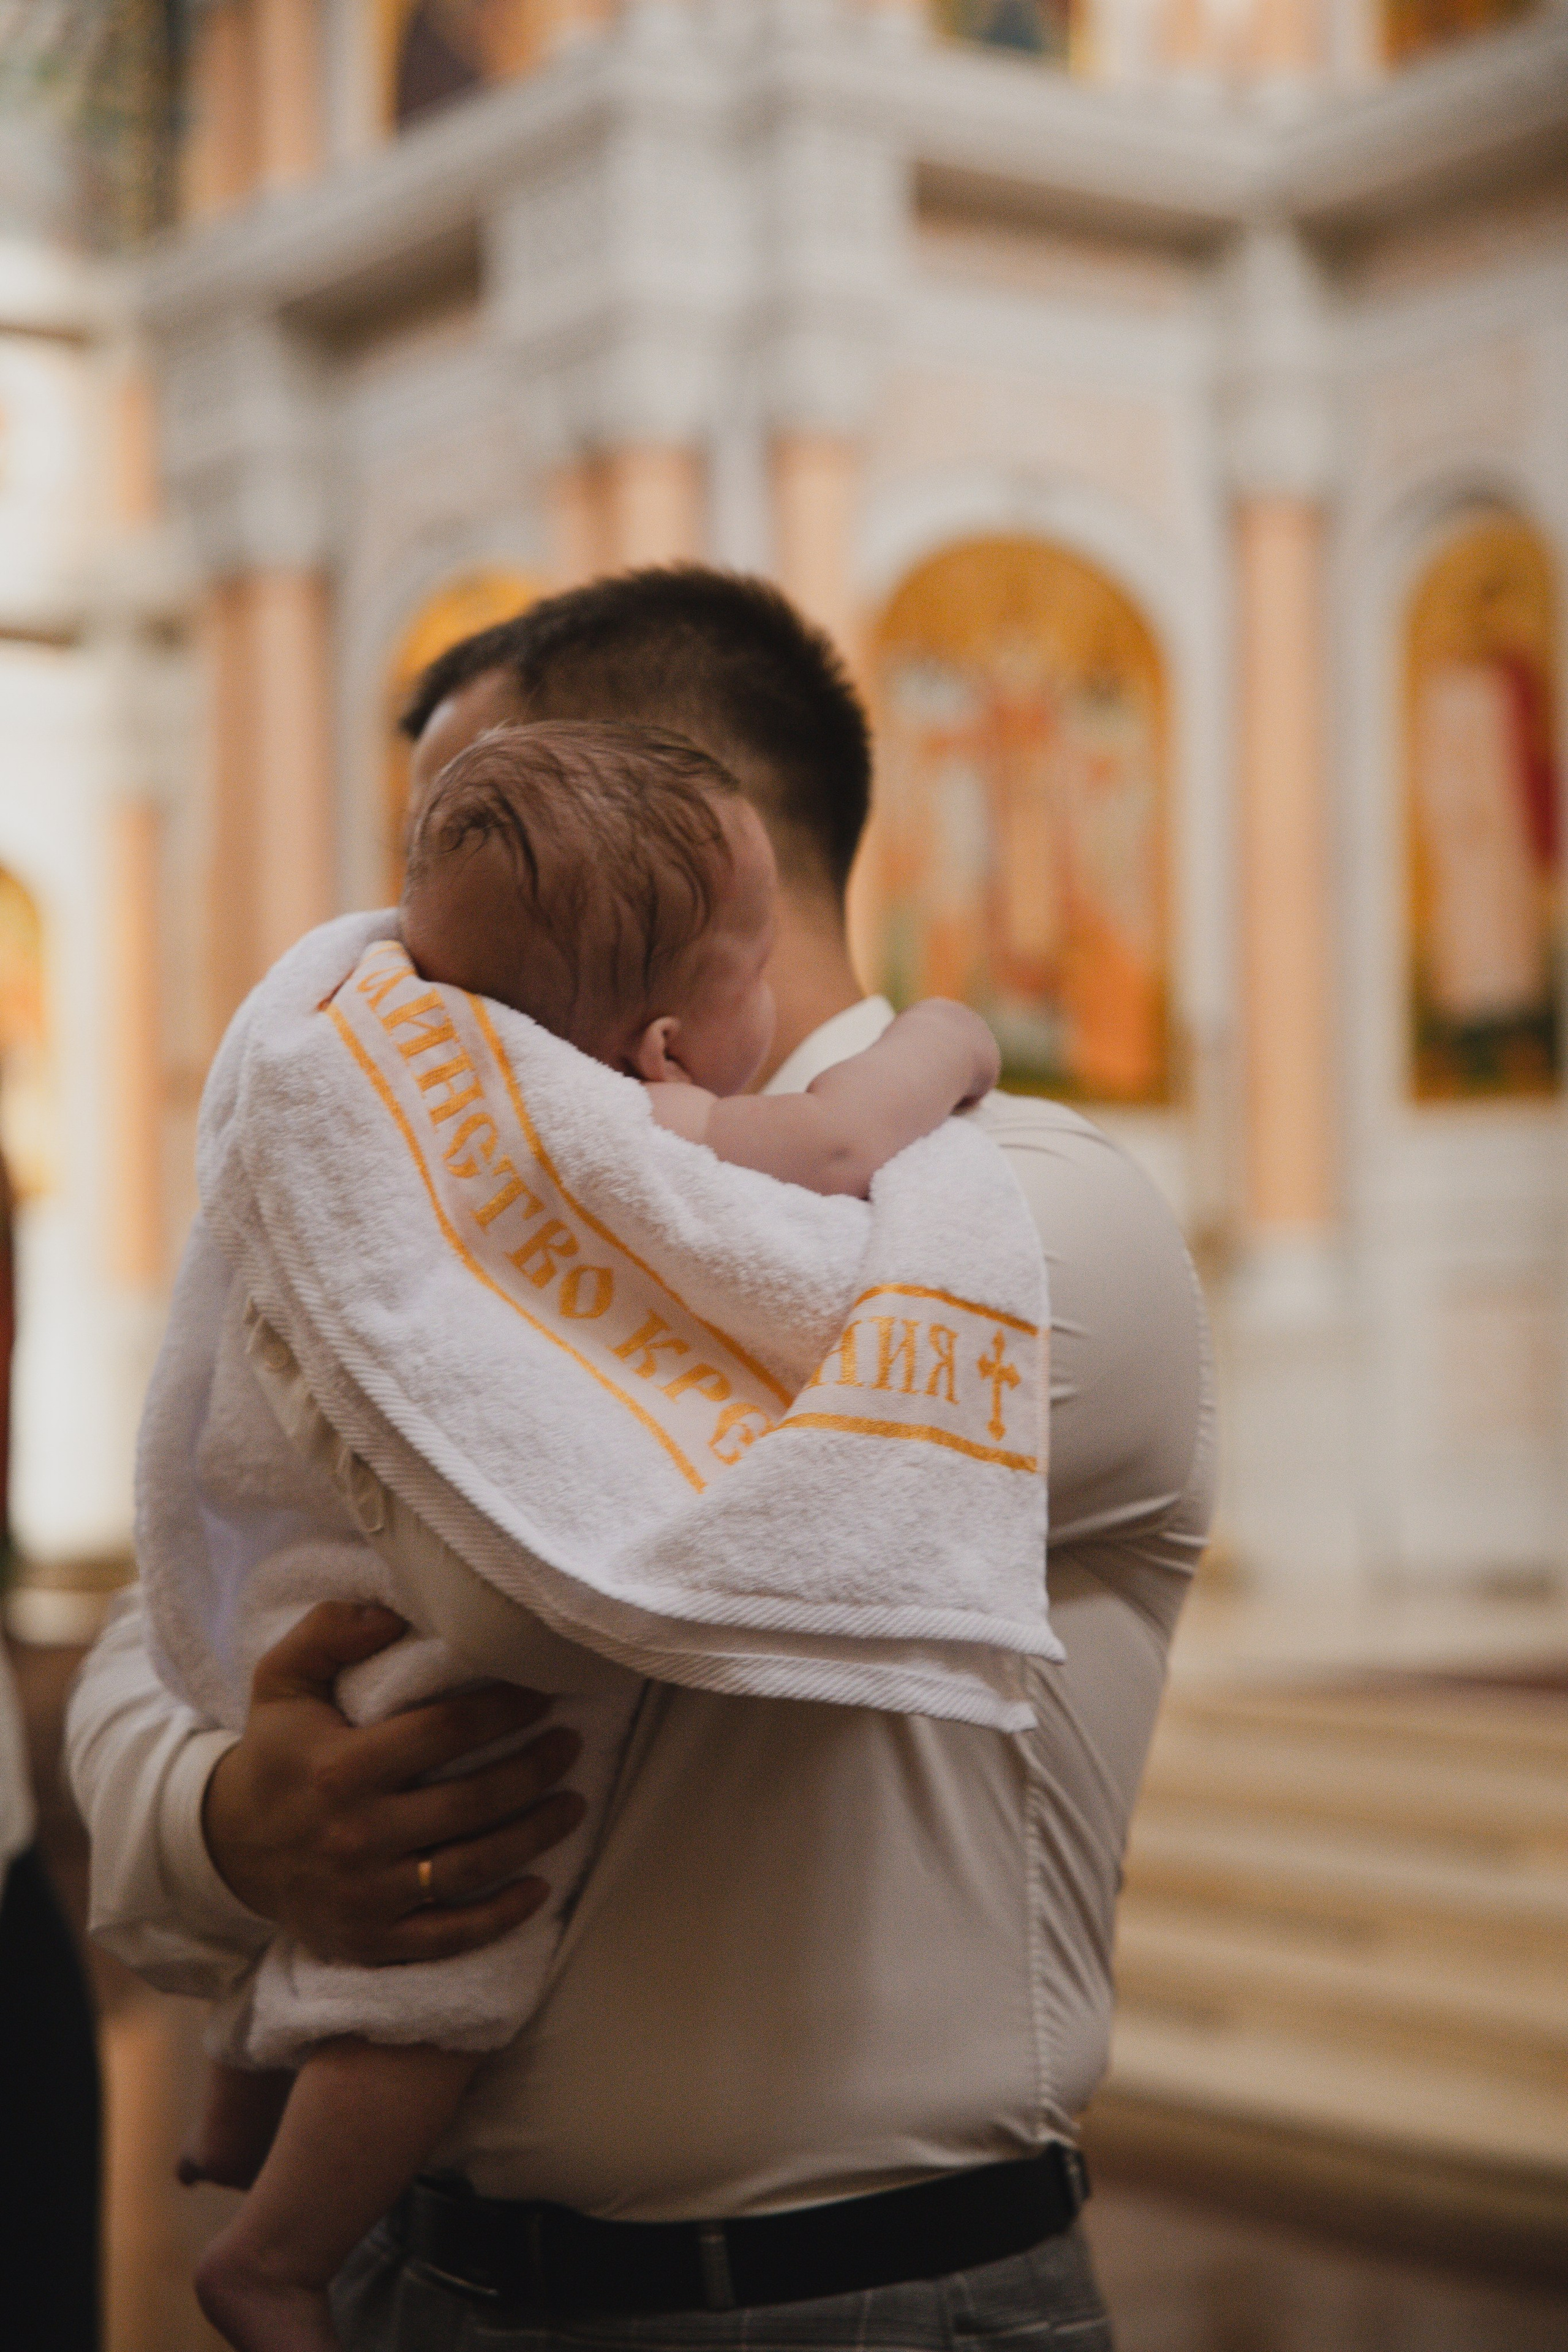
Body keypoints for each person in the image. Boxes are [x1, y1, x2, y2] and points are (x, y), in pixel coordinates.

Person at [69, 568, 1214, 2352]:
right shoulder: (443, 1230)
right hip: (414, 2279)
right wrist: (237, 1821)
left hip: (861, 2303)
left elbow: (516, 1578)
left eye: (451, 878)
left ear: (675, 825)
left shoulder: (1029, 1224)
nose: (399, 965)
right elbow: (171, 1615)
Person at [181, 717, 999, 2352]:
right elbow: (845, 1145)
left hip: (339, 1562)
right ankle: (273, 2253)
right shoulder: (632, 1126)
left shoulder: (401, 1089)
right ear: (670, 1037)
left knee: (325, 1847)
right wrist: (951, 1034)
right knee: (454, 1944)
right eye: (758, 970)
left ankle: (230, 2113)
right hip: (473, 1585)